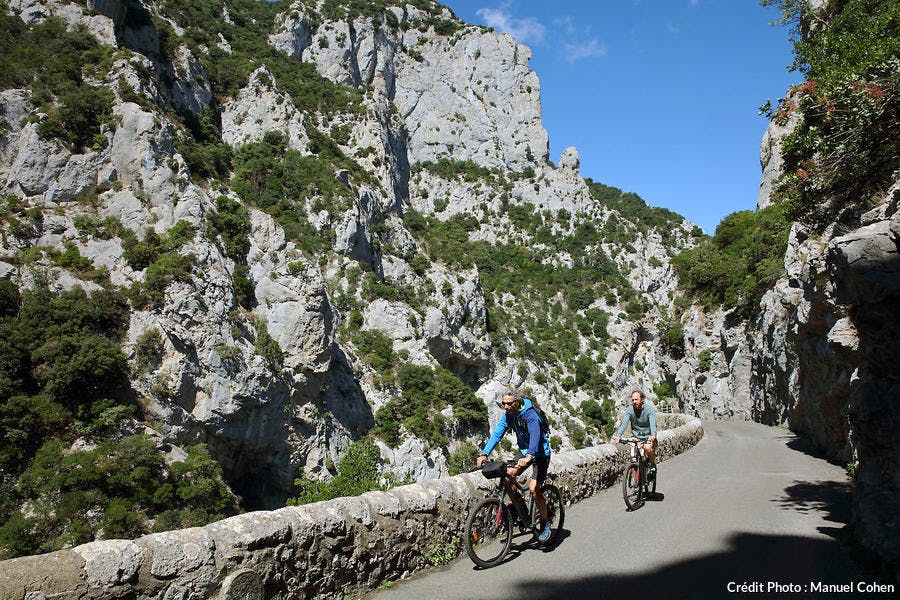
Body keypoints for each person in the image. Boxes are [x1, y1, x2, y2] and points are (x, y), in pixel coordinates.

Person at [476, 390, 553, 542]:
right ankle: (523, 514)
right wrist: (484, 453)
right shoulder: (509, 415)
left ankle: (545, 522)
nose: (506, 407)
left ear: (517, 402)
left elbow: (535, 435)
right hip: (525, 452)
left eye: (509, 404)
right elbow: (498, 433)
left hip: (540, 454)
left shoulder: (529, 414)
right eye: (503, 404)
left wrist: (530, 456)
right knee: (509, 476)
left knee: (534, 489)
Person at [613, 389, 658, 477]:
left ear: (642, 399)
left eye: (636, 399)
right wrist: (618, 435)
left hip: (648, 436)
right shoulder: (629, 410)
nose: (634, 401)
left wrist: (653, 435)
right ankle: (636, 482)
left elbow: (653, 424)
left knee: (648, 448)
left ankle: (652, 466)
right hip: (636, 437)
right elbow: (624, 423)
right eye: (633, 400)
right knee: (633, 459)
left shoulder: (650, 410)